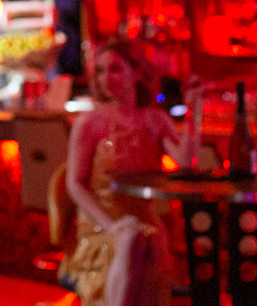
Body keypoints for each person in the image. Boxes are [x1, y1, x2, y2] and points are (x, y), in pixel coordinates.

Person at [58, 40, 197, 306]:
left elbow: (185, 163)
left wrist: (194, 108)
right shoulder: (90, 122)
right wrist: (110, 226)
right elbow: (74, 185)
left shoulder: (154, 120)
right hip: (100, 224)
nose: (105, 78)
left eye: (115, 69)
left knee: (145, 238)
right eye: (100, 71)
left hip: (143, 222)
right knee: (130, 238)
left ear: (138, 72)